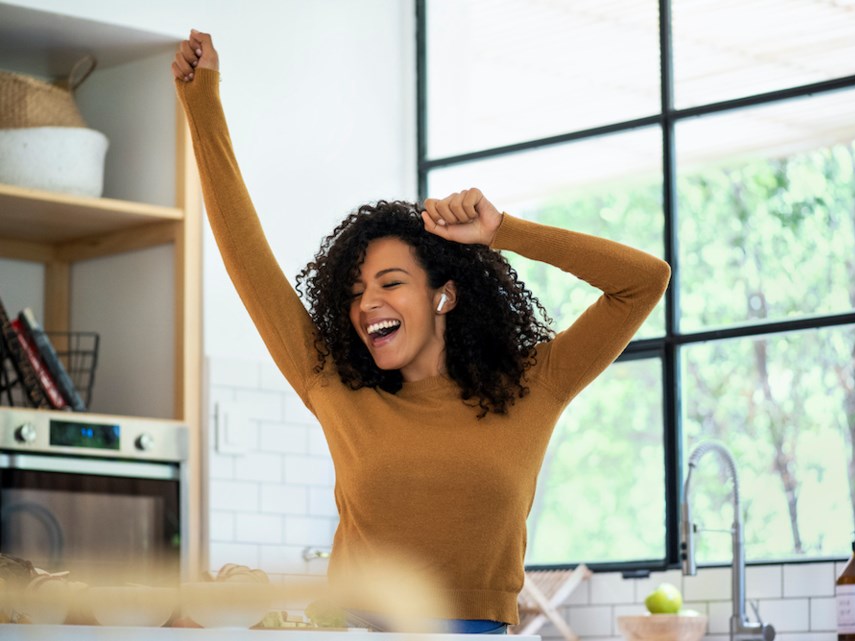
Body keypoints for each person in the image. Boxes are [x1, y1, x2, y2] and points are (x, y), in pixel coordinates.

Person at [172, 29, 670, 634]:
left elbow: (644, 281)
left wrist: (502, 230)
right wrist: (203, 102)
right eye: (354, 291)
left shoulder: (533, 384)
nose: (367, 304)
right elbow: (246, 257)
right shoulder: (336, 387)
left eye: (389, 283)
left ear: (445, 294)